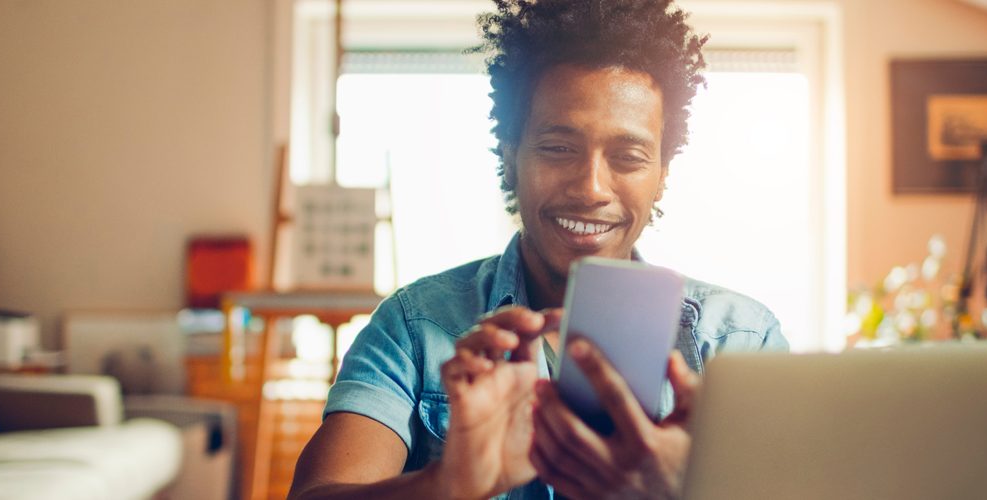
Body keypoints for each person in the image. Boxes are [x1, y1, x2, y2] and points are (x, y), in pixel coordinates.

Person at [289, 0, 787, 498]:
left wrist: (685, 489)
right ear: (510, 158)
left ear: (661, 177)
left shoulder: (738, 343)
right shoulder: (414, 328)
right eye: (558, 147)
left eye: (628, 156)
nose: (591, 187)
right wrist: (448, 483)